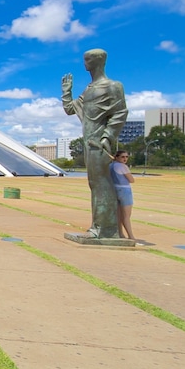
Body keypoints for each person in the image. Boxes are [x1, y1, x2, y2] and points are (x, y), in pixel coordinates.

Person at [62, 49, 127, 239]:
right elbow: (69, 109)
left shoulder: (113, 86)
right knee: (94, 183)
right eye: (84, 59)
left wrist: (107, 137)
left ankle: (105, 229)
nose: (85, 63)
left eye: (88, 59)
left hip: (100, 142)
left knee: (102, 183)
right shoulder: (88, 90)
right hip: (89, 141)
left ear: (99, 62)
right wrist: (67, 93)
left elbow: (120, 113)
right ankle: (98, 226)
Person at [110, 150, 136, 241]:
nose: (125, 159)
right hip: (124, 190)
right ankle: (131, 236)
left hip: (114, 190)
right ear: (117, 157)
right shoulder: (123, 166)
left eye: (126, 157)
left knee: (119, 214)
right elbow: (131, 180)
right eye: (123, 157)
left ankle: (120, 233)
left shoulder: (111, 166)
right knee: (126, 215)